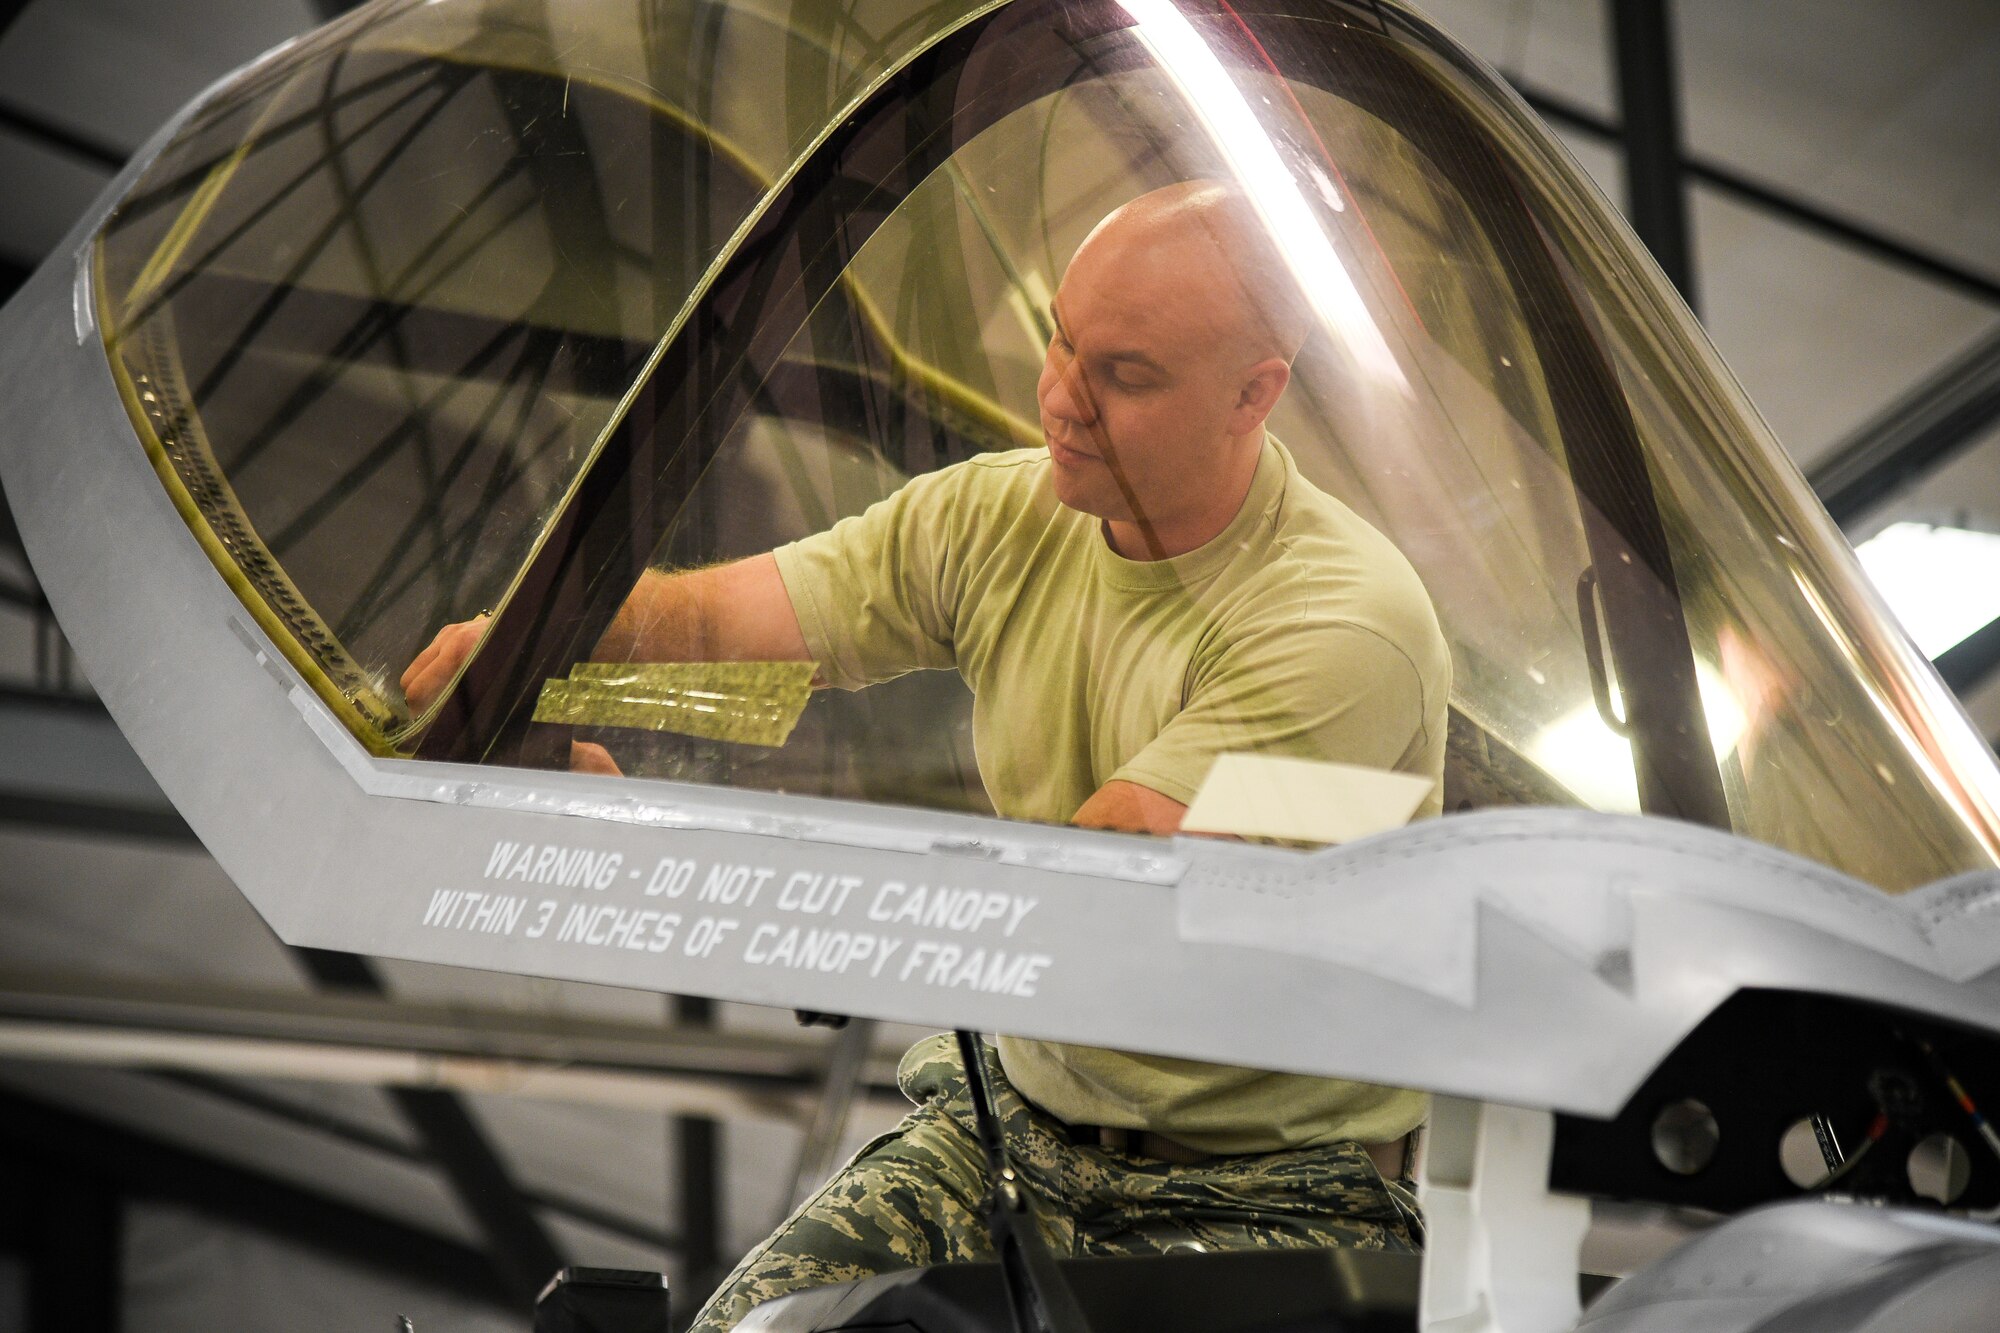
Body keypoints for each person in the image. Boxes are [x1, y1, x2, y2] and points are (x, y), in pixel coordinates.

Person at [403, 180, 1449, 1329]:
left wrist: (657, 845)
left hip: (1276, 1185)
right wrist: (517, 651)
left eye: (1125, 375)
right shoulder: (998, 521)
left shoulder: (1346, 628)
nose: (1061, 400)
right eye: (1061, 340)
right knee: (750, 1327)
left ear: (1254, 394)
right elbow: (726, 625)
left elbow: (1095, 896)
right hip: (1013, 1127)